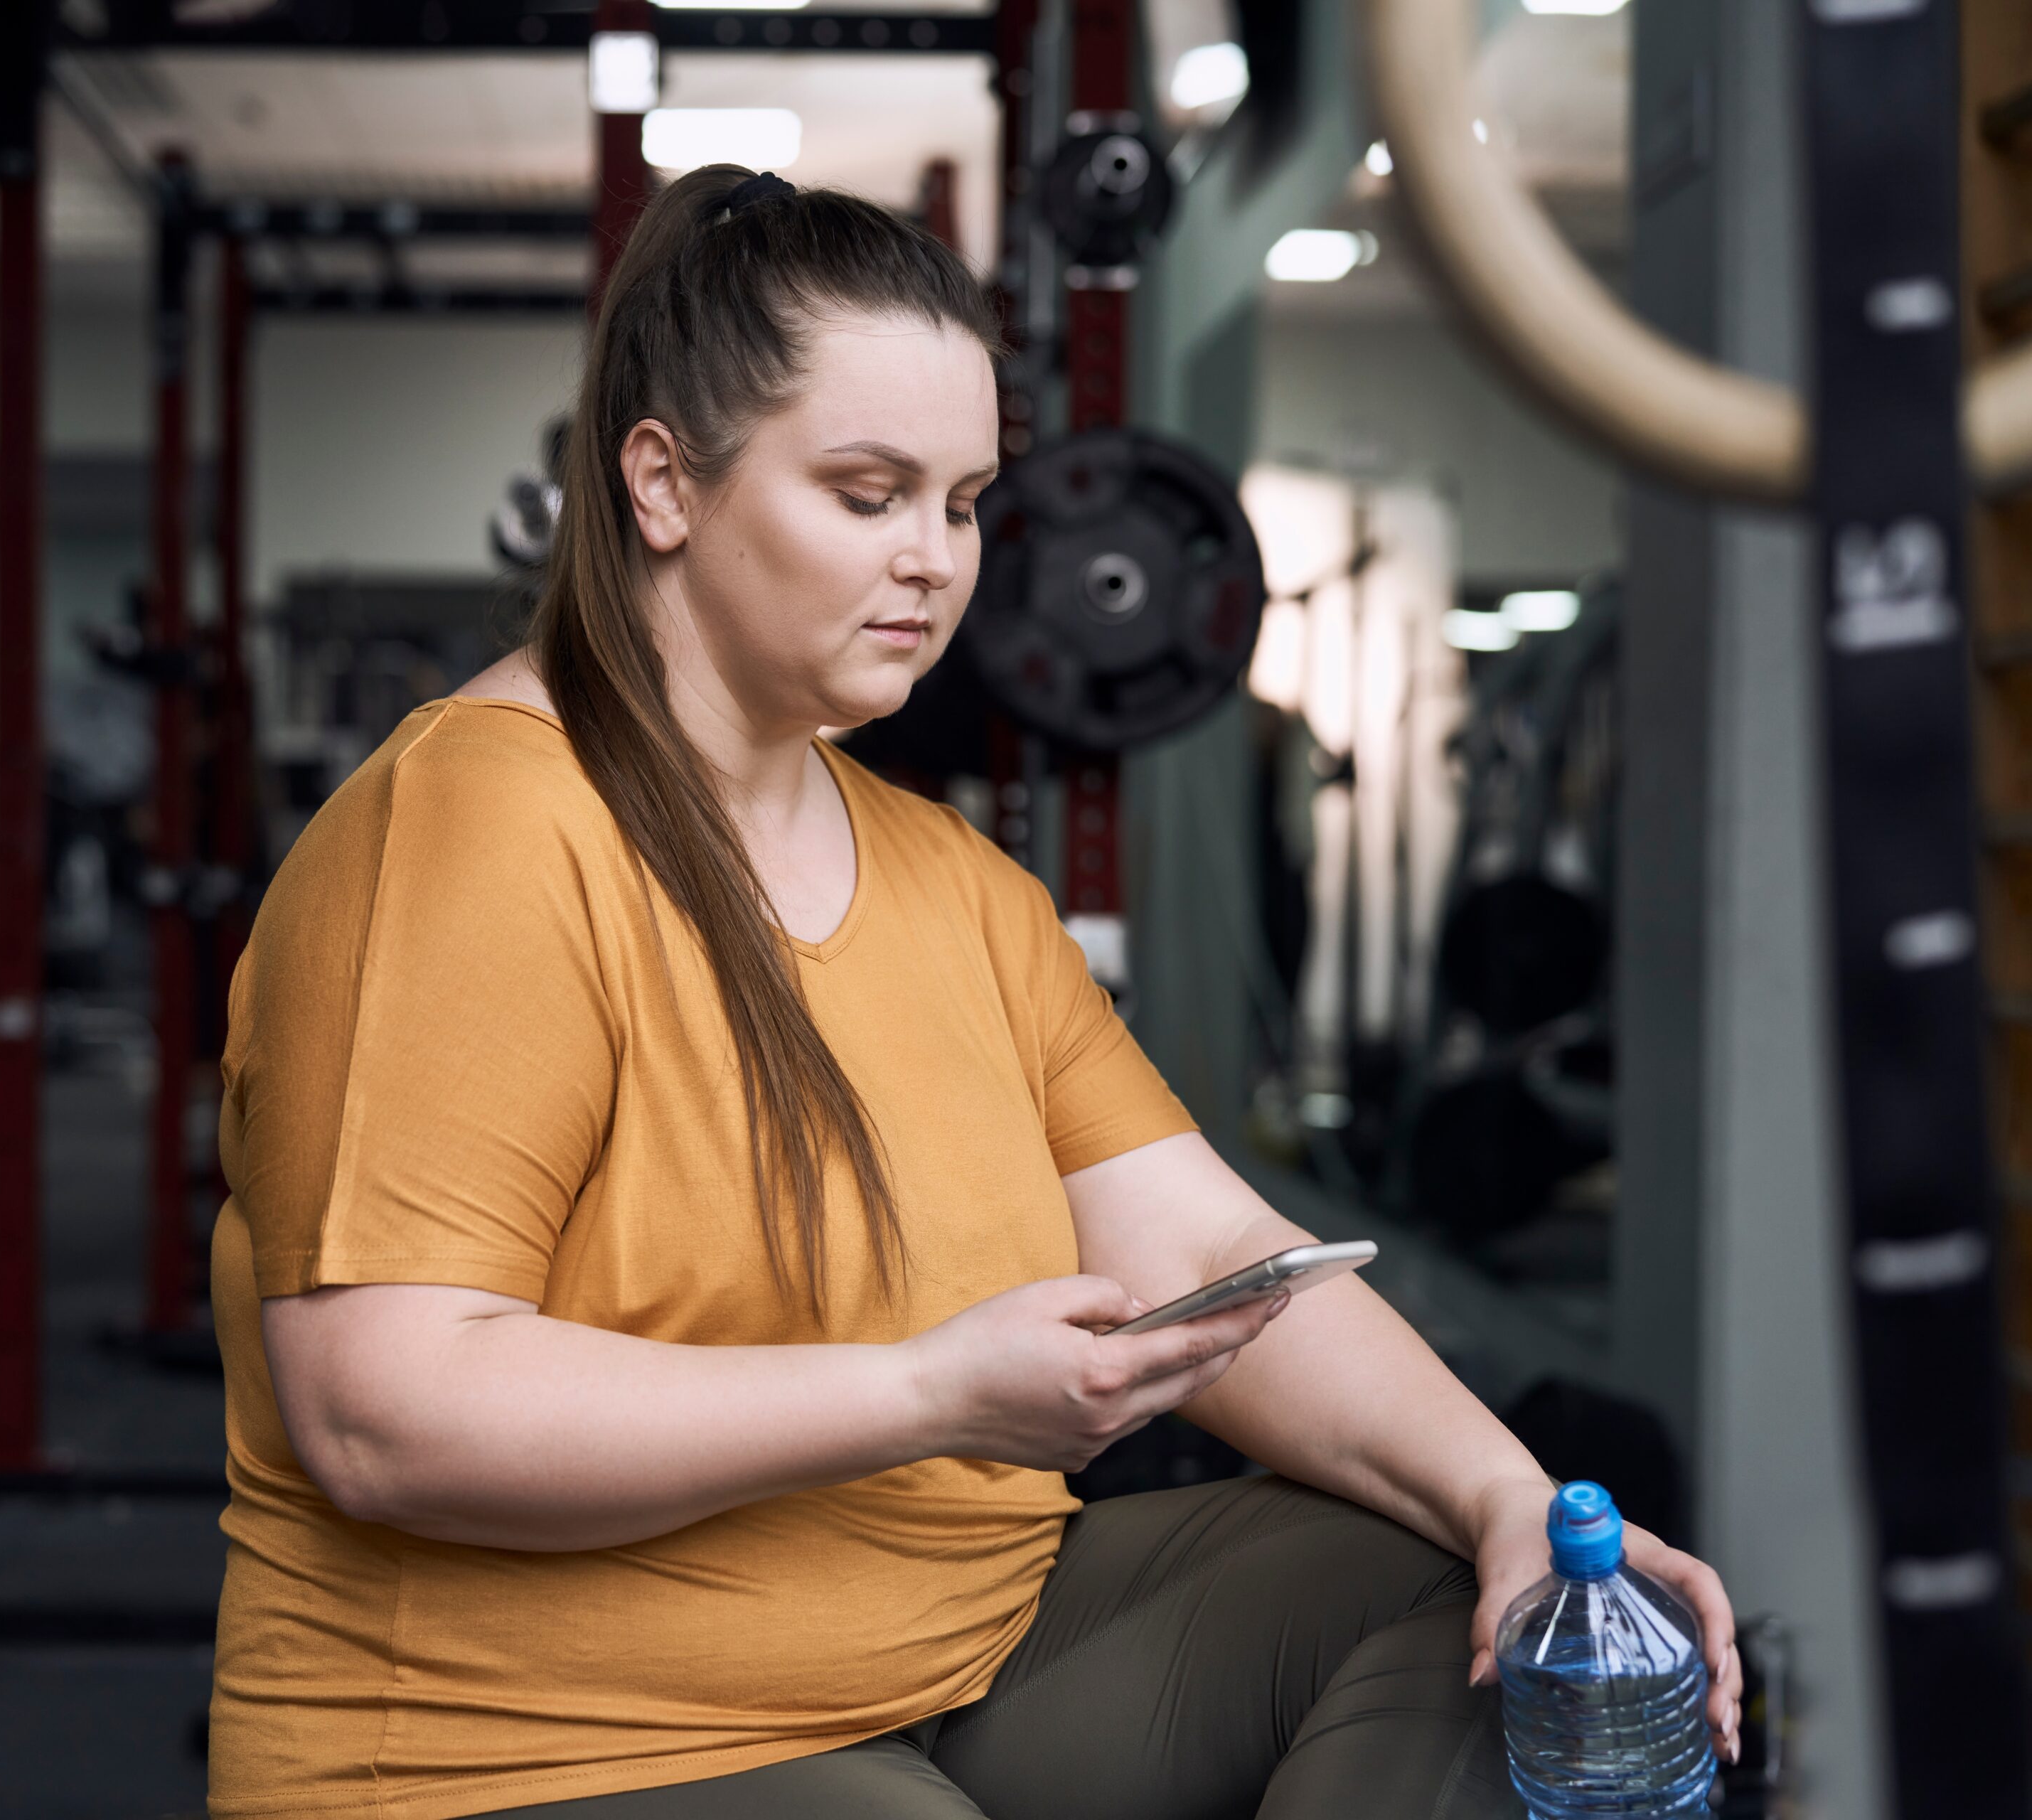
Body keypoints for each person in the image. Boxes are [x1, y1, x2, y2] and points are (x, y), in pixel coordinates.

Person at [205, 166, 1743, 1820]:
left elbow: (1220, 1261)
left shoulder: (952, 885)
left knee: (1479, 1609)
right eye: (867, 493)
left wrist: (1510, 1496)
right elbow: (388, 1411)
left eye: (962, 501)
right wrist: (929, 1389)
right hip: (526, 1743)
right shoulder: (488, 830)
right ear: (662, 481)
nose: (936, 561)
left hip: (959, 1654)